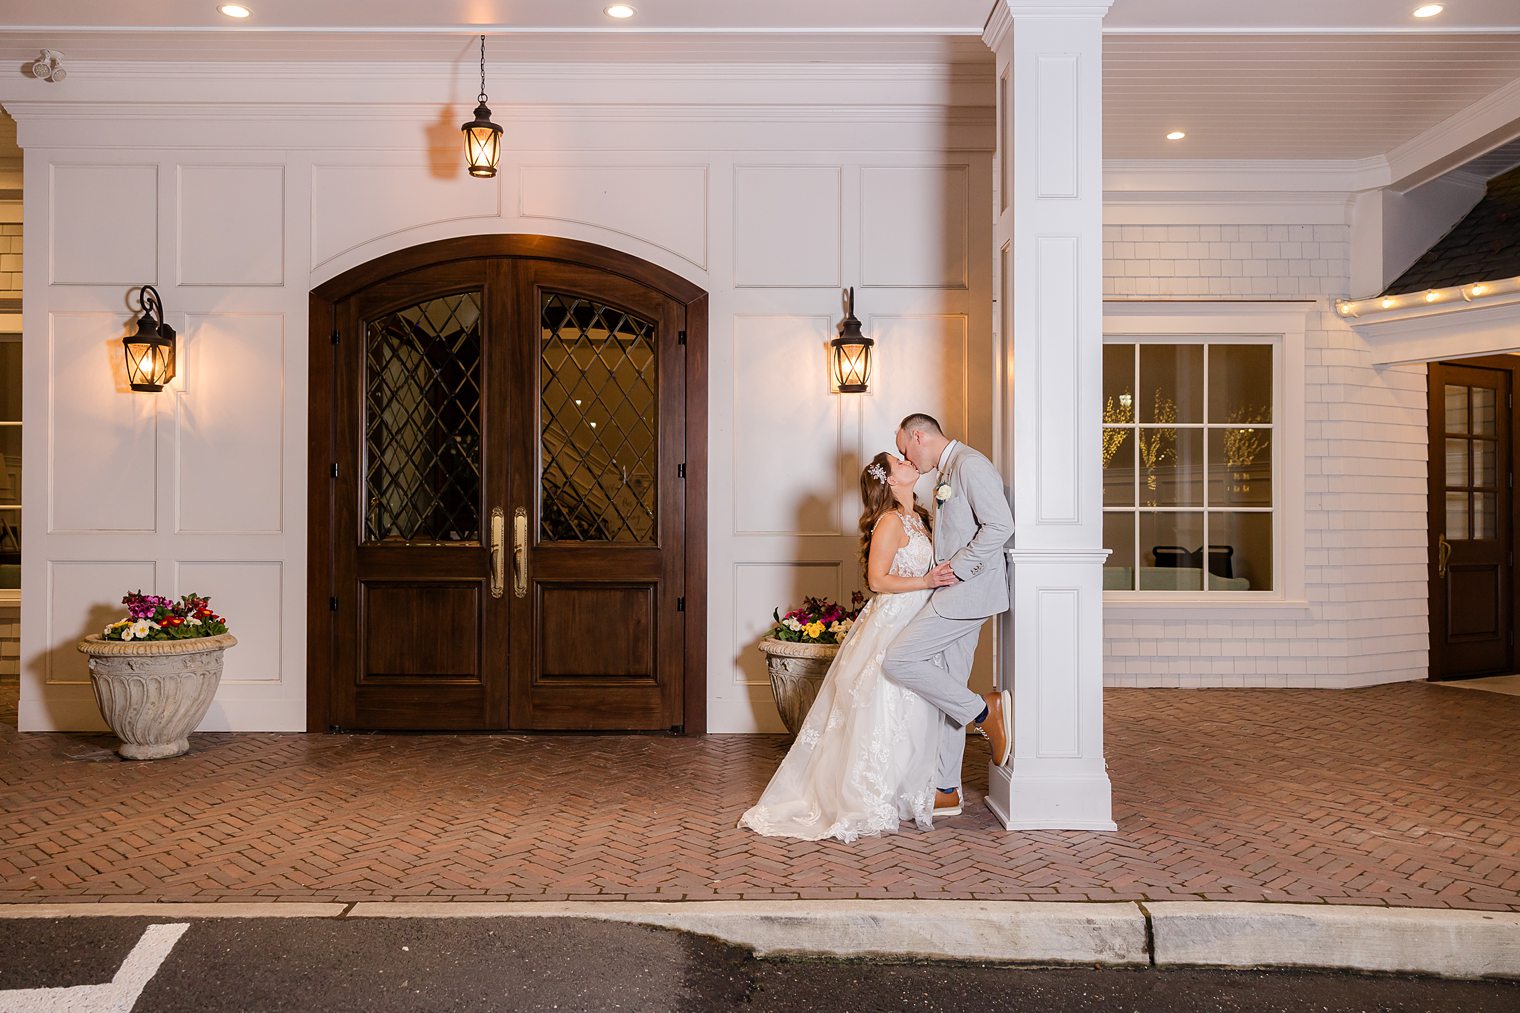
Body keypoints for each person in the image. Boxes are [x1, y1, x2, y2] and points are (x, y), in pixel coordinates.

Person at [738, 450, 959, 841]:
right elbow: (877, 580)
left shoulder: (919, 517)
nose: (909, 461)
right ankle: (867, 796)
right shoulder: (890, 521)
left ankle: (900, 790)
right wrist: (926, 583)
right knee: (881, 701)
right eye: (900, 462)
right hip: (894, 617)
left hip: (915, 617)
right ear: (890, 481)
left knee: (908, 704)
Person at [883, 413, 1014, 819]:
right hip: (956, 595)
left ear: (918, 435)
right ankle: (946, 789)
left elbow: (1001, 525)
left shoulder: (970, 465)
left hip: (966, 594)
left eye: (905, 447)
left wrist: (958, 568)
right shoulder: (950, 469)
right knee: (949, 685)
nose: (906, 455)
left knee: (899, 659)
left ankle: (983, 712)